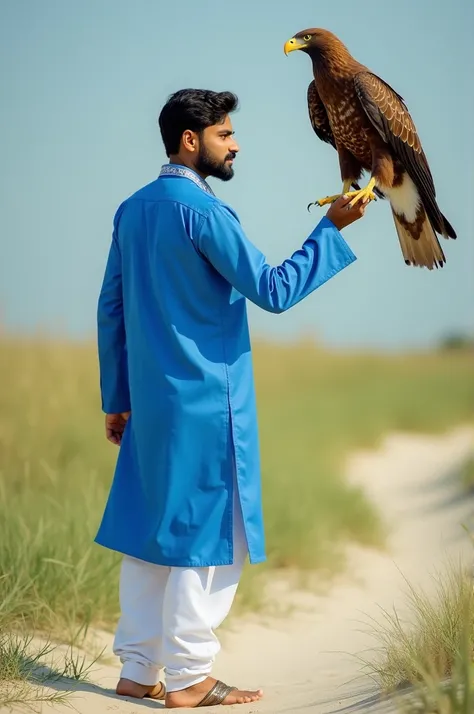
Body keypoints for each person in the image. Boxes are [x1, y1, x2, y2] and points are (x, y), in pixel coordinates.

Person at [95, 88, 368, 709]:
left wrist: (117, 396)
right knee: (211, 538)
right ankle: (190, 677)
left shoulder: (132, 210)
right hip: (206, 406)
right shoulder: (204, 213)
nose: (235, 144)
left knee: (151, 532)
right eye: (224, 134)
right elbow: (272, 289)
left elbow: (110, 305)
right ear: (190, 141)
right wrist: (331, 228)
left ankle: (139, 669)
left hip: (150, 406)